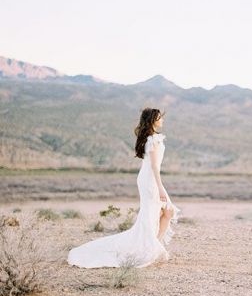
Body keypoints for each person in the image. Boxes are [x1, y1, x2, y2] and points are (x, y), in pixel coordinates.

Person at [68, 108, 180, 268]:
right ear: (153, 120)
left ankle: (155, 245)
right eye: (159, 117)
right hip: (150, 180)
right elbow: (154, 166)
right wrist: (160, 187)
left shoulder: (152, 138)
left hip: (148, 178)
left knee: (167, 211)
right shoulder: (153, 139)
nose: (162, 120)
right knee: (155, 214)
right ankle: (152, 249)